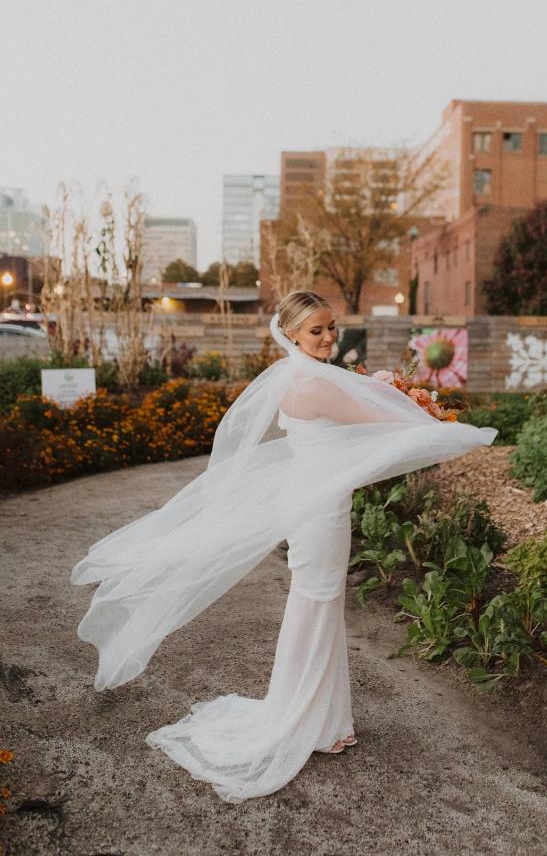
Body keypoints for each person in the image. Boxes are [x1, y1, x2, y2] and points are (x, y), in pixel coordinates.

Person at [71, 289, 498, 803]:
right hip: (319, 511)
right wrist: (432, 415)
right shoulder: (311, 385)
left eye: (331, 328)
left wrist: (396, 394)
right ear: (293, 332)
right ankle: (301, 722)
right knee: (316, 605)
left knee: (317, 605)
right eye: (315, 330)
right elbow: (388, 425)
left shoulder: (308, 379)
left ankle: (323, 721)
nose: (326, 338)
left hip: (315, 502)